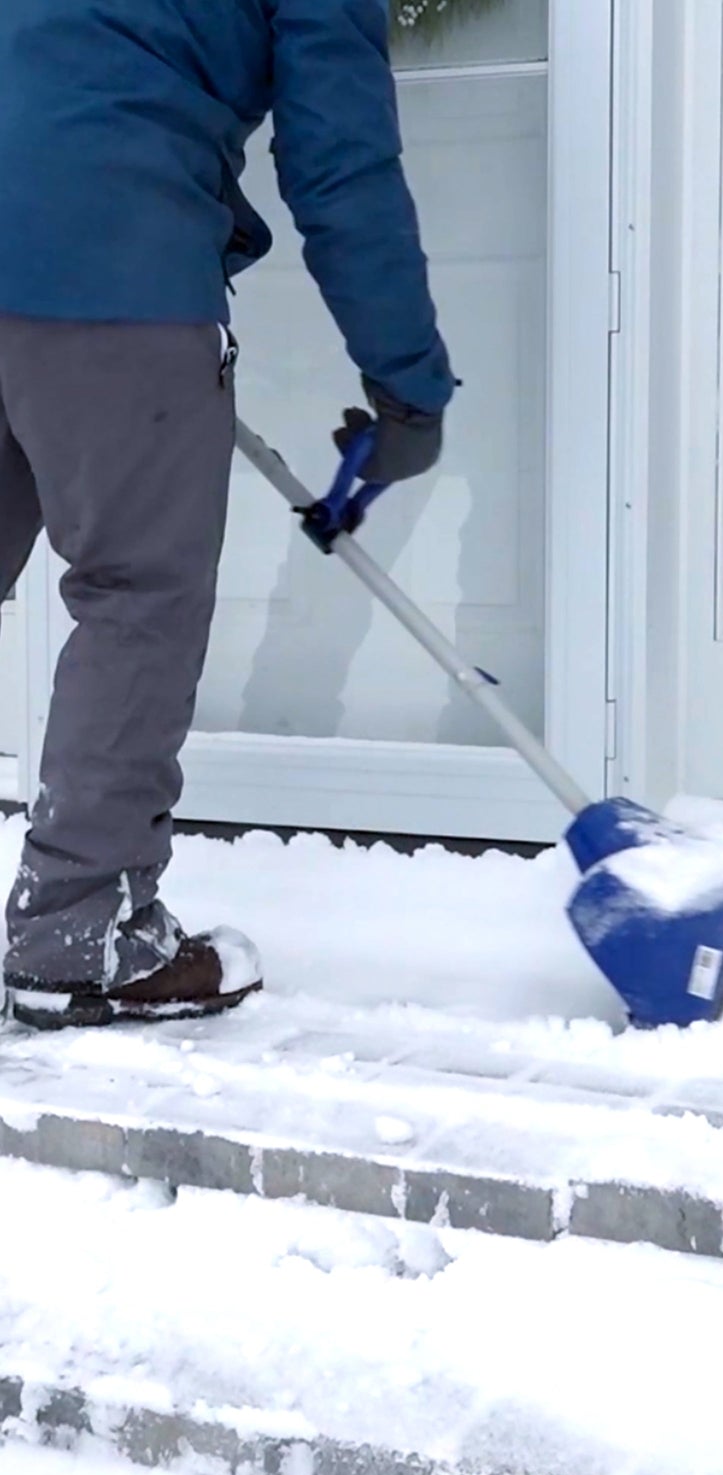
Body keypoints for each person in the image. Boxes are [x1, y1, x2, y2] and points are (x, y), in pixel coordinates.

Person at [0, 0, 455, 1029]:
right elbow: (342, 163)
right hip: (113, 267)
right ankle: (78, 935)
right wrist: (407, 386)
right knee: (135, 595)